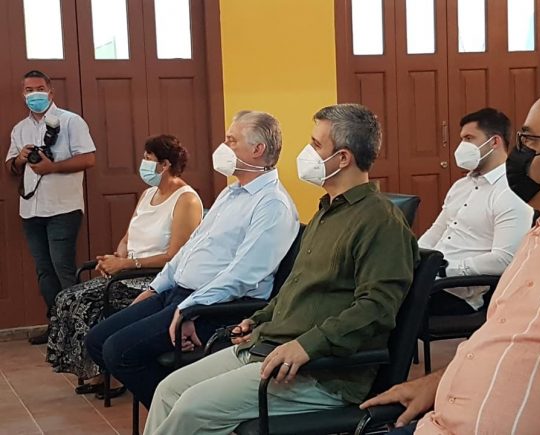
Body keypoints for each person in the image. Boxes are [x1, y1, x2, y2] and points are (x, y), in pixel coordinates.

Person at [143, 103, 419, 435]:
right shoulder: (326, 212)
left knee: (192, 408)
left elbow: (377, 308)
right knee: (168, 391)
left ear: (343, 158)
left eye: (317, 146)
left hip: (320, 372)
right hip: (271, 345)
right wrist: (259, 319)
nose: (307, 153)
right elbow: (296, 287)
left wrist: (307, 345)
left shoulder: (380, 222)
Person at [360, 85, 540, 434]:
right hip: (435, 420)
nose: (520, 154)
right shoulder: (538, 236)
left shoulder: (513, 202)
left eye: (530, 142)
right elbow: (500, 337)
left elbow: (497, 260)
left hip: (454, 289)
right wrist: (437, 382)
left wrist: (443, 270)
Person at [85, 110, 299, 408]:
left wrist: (190, 310)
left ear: (258, 149)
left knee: (119, 352)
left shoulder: (272, 205)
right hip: (178, 295)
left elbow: (243, 275)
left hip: (218, 307)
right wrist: (156, 288)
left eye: (231, 140)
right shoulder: (231, 193)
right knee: (97, 340)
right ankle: (180, 408)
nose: (223, 146)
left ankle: (180, 415)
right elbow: (190, 247)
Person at [46, 134, 202, 397]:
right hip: (128, 270)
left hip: (152, 277)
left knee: (88, 301)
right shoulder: (147, 194)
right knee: (66, 298)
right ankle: (94, 371)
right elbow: (129, 236)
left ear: (164, 165)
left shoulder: (186, 199)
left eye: (147, 158)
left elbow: (176, 255)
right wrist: (114, 258)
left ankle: (112, 374)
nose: (142, 163)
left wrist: (128, 264)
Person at [4, 70, 96, 345]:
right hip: (30, 210)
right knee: (44, 271)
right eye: (29, 90)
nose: (35, 94)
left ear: (51, 92)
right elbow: (10, 167)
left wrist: (51, 167)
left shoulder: (70, 121)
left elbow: (89, 159)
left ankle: (78, 328)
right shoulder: (19, 129)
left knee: (63, 268)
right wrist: (20, 159)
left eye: (40, 88)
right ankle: (56, 325)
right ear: (23, 95)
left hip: (63, 208)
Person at [420, 108, 533, 315]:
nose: (462, 146)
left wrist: (445, 269)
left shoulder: (511, 191)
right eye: (462, 139)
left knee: (385, 305)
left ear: (494, 142)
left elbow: (505, 259)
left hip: (459, 292)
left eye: (469, 138)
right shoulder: (461, 186)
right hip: (429, 280)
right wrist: (413, 259)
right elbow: (436, 231)